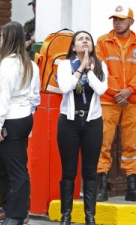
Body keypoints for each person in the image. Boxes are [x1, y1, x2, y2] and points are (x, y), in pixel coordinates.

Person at [57, 31, 108, 225]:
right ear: (73, 46)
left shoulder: (101, 65)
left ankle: (90, 217)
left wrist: (89, 70)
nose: (85, 41)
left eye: (88, 39)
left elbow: (101, 89)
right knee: (69, 171)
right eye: (80, 39)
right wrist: (79, 69)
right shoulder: (64, 65)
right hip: (69, 123)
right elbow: (65, 87)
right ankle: (66, 216)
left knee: (89, 171)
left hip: (92, 122)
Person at [0, 21, 40, 225]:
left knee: (15, 170)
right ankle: (18, 212)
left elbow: (3, 98)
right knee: (18, 167)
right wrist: (27, 111)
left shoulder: (6, 65)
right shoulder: (30, 64)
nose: (0, 40)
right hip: (24, 118)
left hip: (10, 118)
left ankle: (16, 215)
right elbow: (35, 97)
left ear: (8, 39)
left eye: (2, 36)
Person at [96, 5, 136, 202]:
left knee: (132, 144)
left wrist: (129, 90)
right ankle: (101, 185)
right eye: (115, 19)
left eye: (121, 19)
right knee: (103, 142)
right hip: (109, 101)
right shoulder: (102, 42)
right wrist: (118, 93)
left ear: (131, 21)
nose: (117, 23)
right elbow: (100, 70)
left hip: (132, 101)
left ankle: (132, 186)